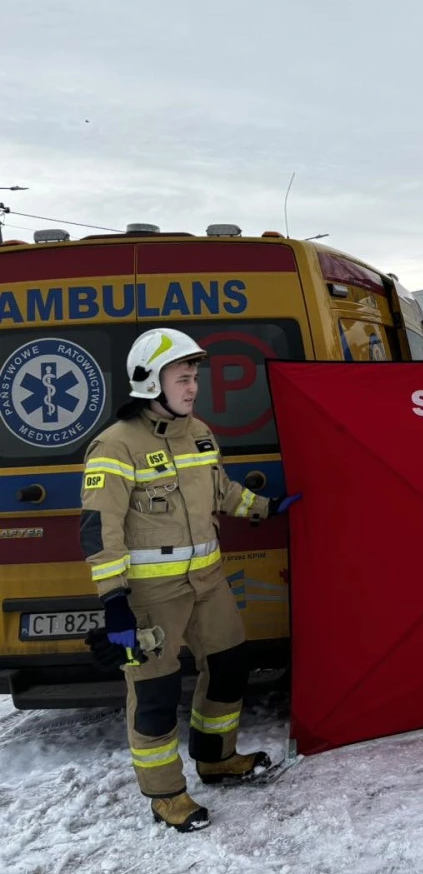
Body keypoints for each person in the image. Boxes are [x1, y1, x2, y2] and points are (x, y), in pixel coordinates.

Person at [80, 328, 301, 832]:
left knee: (229, 667)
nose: (193, 386)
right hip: (151, 596)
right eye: (182, 377)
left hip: (209, 582)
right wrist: (114, 602)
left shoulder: (198, 432)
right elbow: (100, 530)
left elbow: (220, 491)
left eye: (193, 376)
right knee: (155, 694)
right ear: (149, 382)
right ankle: (165, 795)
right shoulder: (116, 446)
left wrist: (268, 508)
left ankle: (216, 759)